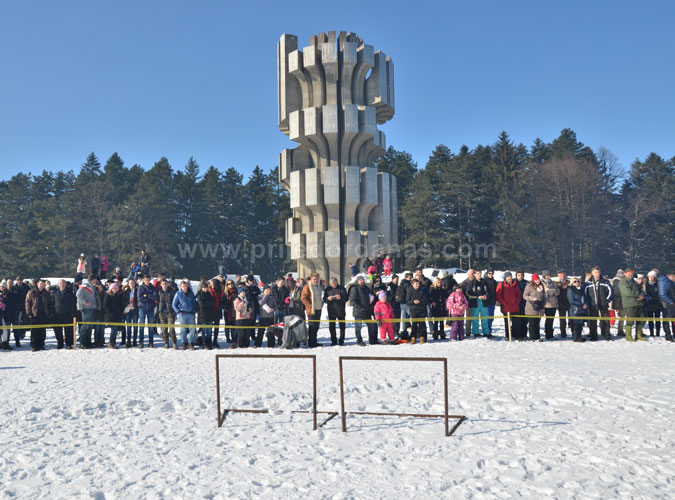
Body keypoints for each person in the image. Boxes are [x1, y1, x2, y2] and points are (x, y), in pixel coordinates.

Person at [584, 266, 614, 341]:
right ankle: (593, 336)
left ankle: (606, 335)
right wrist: (587, 302)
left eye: (598, 272)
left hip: (603, 304)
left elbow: (611, 291)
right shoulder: (588, 283)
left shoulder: (605, 282)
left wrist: (607, 300)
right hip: (592, 305)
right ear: (592, 273)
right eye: (596, 272)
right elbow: (585, 294)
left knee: (605, 320)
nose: (597, 274)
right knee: (593, 321)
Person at [618, 268, 645, 342]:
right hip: (629, 304)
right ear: (625, 273)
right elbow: (627, 292)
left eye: (631, 272)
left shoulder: (634, 281)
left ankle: (638, 335)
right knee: (630, 321)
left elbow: (640, 290)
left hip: (639, 304)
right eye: (628, 272)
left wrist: (642, 295)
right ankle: (628, 336)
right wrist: (638, 295)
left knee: (641, 319)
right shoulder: (623, 282)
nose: (630, 274)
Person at [25, 279, 53, 351]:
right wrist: (29, 312)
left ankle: (41, 344)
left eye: (43, 284)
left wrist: (49, 312)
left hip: (43, 314)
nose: (42, 285)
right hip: (34, 314)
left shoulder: (46, 293)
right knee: (34, 331)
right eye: (41, 284)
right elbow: (27, 302)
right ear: (37, 284)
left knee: (42, 331)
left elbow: (49, 303)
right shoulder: (32, 292)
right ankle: (34, 345)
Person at [495, 272, 522, 340]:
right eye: (508, 277)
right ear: (505, 278)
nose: (509, 278)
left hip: (515, 307)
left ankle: (516, 335)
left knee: (516, 322)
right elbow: (498, 295)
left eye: (510, 276)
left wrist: (517, 302)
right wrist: (503, 302)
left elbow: (519, 294)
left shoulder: (515, 284)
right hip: (506, 307)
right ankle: (508, 335)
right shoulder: (501, 284)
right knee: (507, 323)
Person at [51, 279, 76, 348]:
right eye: (61, 283)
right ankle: (60, 343)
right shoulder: (54, 293)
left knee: (68, 330)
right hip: (57, 315)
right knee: (58, 331)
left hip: (67, 315)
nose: (62, 284)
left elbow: (73, 304)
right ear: (58, 284)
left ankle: (68, 344)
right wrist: (52, 313)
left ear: (66, 284)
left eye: (63, 283)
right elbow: (51, 304)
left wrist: (72, 312)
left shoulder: (70, 293)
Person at [76, 275, 100, 349]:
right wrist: (85, 302)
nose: (96, 281)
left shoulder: (92, 286)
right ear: (92, 279)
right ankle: (82, 342)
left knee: (90, 326)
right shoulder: (85, 286)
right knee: (85, 326)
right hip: (86, 308)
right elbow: (78, 294)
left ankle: (88, 342)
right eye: (95, 279)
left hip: (92, 308)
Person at [172, 281, 198, 349]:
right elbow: (174, 304)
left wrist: (194, 310)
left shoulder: (191, 293)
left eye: (186, 286)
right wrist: (178, 311)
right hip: (182, 313)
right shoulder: (178, 294)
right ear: (180, 287)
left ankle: (191, 343)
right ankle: (184, 342)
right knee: (183, 329)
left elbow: (194, 303)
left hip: (191, 313)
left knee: (192, 329)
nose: (185, 287)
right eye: (183, 286)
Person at [349, 275, 373, 346]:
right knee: (358, 327)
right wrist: (360, 308)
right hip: (358, 311)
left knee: (371, 325)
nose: (362, 281)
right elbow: (352, 300)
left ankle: (372, 339)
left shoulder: (366, 288)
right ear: (357, 281)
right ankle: (359, 341)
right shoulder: (354, 288)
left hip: (367, 310)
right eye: (360, 280)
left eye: (363, 280)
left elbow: (370, 295)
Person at [301, 273, 324, 348]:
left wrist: (321, 303)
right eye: (314, 279)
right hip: (311, 310)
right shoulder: (307, 286)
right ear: (311, 279)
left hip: (318, 308)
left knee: (316, 326)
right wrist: (309, 304)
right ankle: (311, 342)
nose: (315, 280)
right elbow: (303, 298)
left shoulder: (318, 286)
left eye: (317, 279)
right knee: (312, 326)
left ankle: (314, 341)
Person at [323, 277, 347, 345]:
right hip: (331, 310)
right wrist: (328, 299)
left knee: (342, 327)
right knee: (332, 327)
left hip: (341, 310)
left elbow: (346, 298)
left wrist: (341, 298)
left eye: (334, 283)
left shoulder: (342, 288)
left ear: (337, 282)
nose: (333, 284)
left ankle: (341, 340)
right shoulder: (327, 289)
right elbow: (324, 299)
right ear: (330, 283)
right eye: (332, 283)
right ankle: (333, 341)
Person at [467, 271, 490, 338]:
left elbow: (489, 291)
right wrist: (477, 296)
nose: (479, 275)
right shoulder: (471, 282)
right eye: (478, 273)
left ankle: (486, 332)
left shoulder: (484, 282)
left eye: (480, 273)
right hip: (475, 302)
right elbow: (468, 292)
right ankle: (476, 332)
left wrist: (486, 296)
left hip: (484, 302)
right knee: (475, 319)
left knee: (484, 318)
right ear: (474, 274)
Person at [196, 281, 218, 350]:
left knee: (209, 330)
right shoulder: (200, 295)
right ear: (202, 288)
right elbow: (202, 305)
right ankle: (204, 342)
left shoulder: (210, 295)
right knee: (204, 330)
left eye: (206, 288)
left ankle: (209, 341)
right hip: (203, 315)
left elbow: (213, 302)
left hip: (210, 315)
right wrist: (208, 304)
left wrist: (207, 303)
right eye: (204, 288)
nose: (205, 289)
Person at [523, 274, 545, 341]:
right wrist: (532, 299)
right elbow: (524, 296)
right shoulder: (529, 286)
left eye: (538, 279)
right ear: (533, 280)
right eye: (535, 280)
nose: (537, 281)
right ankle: (533, 337)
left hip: (539, 307)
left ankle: (537, 337)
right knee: (532, 323)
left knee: (537, 323)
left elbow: (544, 296)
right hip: (531, 307)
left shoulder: (541, 286)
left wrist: (543, 302)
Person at [406, 278, 428, 344]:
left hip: (422, 309)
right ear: (412, 284)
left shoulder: (422, 290)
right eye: (416, 284)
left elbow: (426, 299)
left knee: (422, 324)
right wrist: (413, 301)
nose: (417, 285)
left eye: (418, 284)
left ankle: (422, 337)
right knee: (414, 324)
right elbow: (407, 300)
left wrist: (420, 301)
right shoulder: (409, 290)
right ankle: (413, 338)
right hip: (413, 310)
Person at [157, 279, 178, 349]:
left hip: (170, 312)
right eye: (163, 284)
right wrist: (158, 311)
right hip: (162, 312)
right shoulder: (159, 292)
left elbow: (175, 302)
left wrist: (175, 311)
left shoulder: (172, 292)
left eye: (165, 284)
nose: (164, 285)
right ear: (161, 285)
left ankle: (174, 342)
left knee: (171, 329)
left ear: (168, 284)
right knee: (164, 329)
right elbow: (157, 302)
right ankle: (166, 343)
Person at [567, 277, 588, 342]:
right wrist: (581, 305)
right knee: (576, 324)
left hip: (582, 309)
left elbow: (585, 297)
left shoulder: (581, 289)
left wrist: (586, 303)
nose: (577, 283)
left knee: (580, 323)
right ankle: (576, 337)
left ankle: (579, 336)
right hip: (574, 309)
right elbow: (571, 300)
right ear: (572, 283)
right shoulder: (570, 290)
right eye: (575, 281)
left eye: (578, 281)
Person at [103, 283, 124, 349]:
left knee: (115, 330)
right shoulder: (108, 295)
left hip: (117, 315)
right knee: (114, 329)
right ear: (110, 289)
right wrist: (111, 313)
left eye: (115, 288)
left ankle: (113, 342)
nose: (114, 290)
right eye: (113, 288)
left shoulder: (117, 295)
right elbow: (105, 305)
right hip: (110, 316)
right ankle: (111, 343)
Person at [541, 270, 560, 340]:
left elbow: (558, 291)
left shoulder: (552, 282)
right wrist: (552, 291)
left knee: (551, 320)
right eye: (547, 275)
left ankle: (550, 334)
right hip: (547, 304)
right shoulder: (542, 283)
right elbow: (546, 291)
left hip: (554, 304)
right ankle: (548, 334)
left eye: (549, 275)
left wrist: (552, 292)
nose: (548, 276)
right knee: (548, 320)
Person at [657, 271, 675, 342]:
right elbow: (662, 294)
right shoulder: (664, 282)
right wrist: (671, 302)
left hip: (672, 304)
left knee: (673, 320)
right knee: (666, 320)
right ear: (671, 276)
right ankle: (668, 335)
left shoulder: (670, 282)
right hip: (667, 305)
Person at [121, 278, 139, 347]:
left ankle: (134, 341)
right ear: (128, 284)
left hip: (135, 310)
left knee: (135, 326)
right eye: (131, 283)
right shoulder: (125, 291)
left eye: (133, 283)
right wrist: (127, 304)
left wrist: (134, 304)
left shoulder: (137, 291)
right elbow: (122, 301)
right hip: (128, 310)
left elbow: (139, 300)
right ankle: (128, 341)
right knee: (128, 327)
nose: (132, 284)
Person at [645, 271, 662, 337]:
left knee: (657, 319)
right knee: (650, 320)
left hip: (657, 304)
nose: (651, 278)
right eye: (650, 276)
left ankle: (658, 333)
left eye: (652, 276)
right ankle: (651, 333)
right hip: (649, 304)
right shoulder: (645, 285)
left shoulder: (658, 285)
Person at [395, 272, 412, 340]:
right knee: (412, 316)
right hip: (406, 303)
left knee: (404, 318)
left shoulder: (401, 283)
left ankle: (404, 331)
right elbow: (409, 294)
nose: (410, 278)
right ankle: (413, 330)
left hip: (401, 303)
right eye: (410, 277)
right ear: (406, 277)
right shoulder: (407, 284)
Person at [611, 269, 626, 337]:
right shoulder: (617, 281)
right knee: (622, 316)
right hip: (620, 301)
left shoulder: (615, 281)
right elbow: (617, 292)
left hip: (618, 301)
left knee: (621, 317)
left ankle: (620, 330)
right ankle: (620, 330)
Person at [462, 270, 476, 337]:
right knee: (468, 318)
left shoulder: (477, 281)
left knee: (476, 318)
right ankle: (468, 332)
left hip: (476, 302)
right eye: (472, 273)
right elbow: (463, 293)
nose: (473, 274)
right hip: (469, 302)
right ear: (468, 274)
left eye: (474, 273)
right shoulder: (464, 282)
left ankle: (476, 332)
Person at [483, 268, 498, 334]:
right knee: (487, 317)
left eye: (492, 273)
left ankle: (489, 331)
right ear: (487, 273)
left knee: (491, 317)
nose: (491, 274)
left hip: (492, 301)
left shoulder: (494, 282)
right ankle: (486, 332)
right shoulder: (484, 281)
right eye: (489, 273)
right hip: (486, 302)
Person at [223, 279, 237, 344]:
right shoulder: (225, 292)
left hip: (234, 309)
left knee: (233, 324)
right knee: (227, 325)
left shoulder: (236, 291)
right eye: (229, 284)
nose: (230, 285)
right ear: (227, 285)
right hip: (227, 310)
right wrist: (224, 307)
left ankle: (233, 338)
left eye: (232, 283)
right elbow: (222, 301)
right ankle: (228, 338)